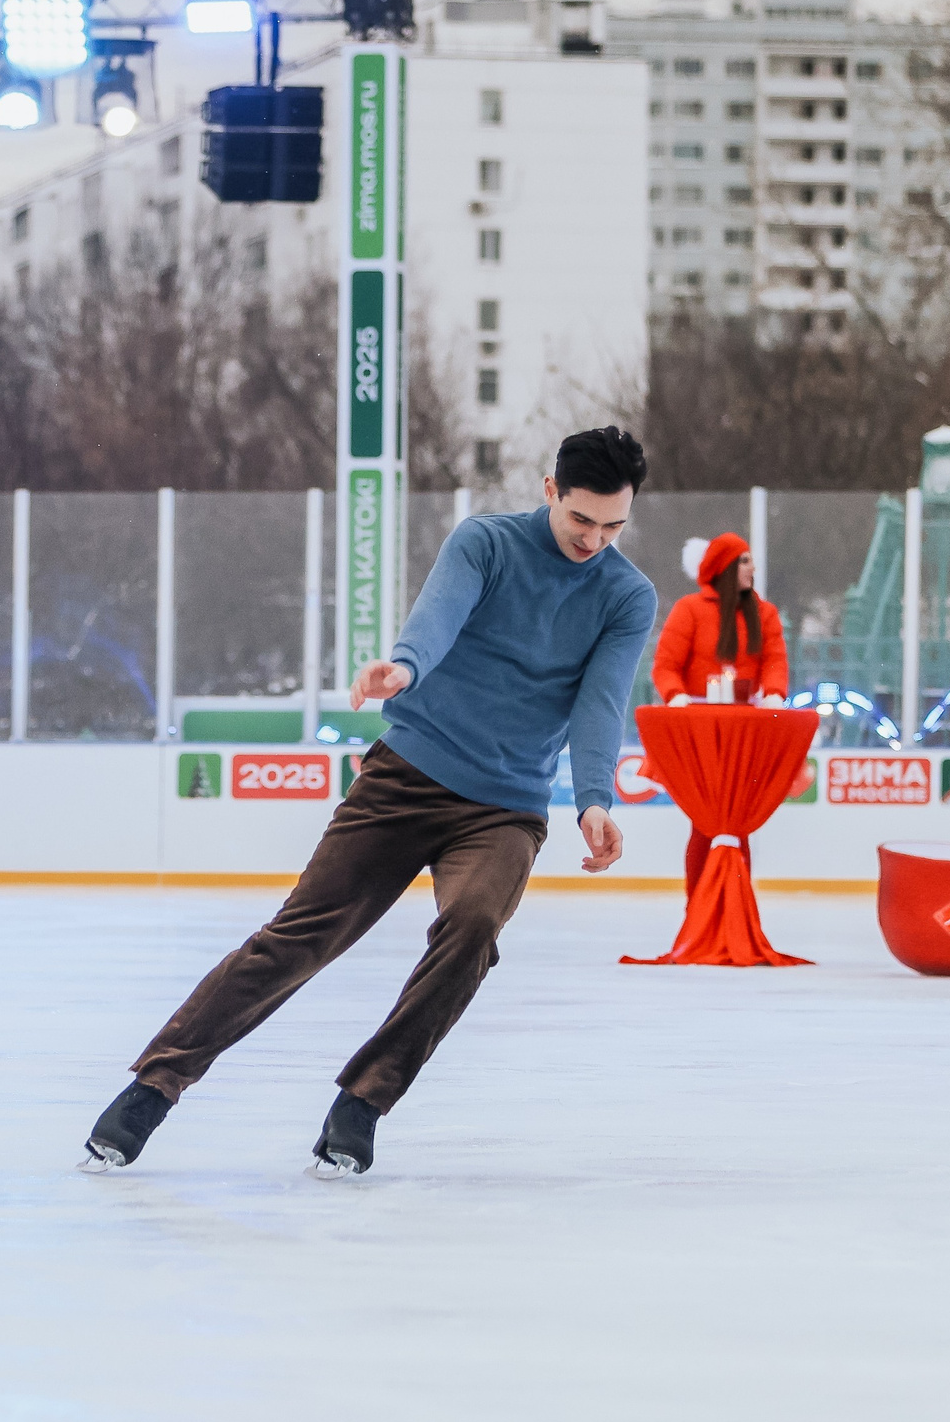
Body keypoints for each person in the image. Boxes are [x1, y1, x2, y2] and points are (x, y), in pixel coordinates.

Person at [81, 428, 658, 1178]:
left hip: (504, 808)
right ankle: (153, 1087)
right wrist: (405, 668)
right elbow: (438, 618)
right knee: (297, 937)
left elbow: (602, 701)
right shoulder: (486, 544)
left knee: (474, 928)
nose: (595, 540)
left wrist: (592, 799)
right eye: (583, 520)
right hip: (406, 774)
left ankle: (362, 1103)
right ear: (550, 490)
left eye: (614, 526)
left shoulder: (626, 595)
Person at [651, 532, 791, 893]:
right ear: (725, 567)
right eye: (744, 560)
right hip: (699, 735)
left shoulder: (765, 613)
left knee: (736, 822)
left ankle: (733, 909)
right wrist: (677, 698)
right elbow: (665, 665)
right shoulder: (690, 610)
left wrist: (774, 694)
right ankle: (700, 909)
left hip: (744, 735)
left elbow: (775, 660)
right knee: (706, 821)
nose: (752, 568)